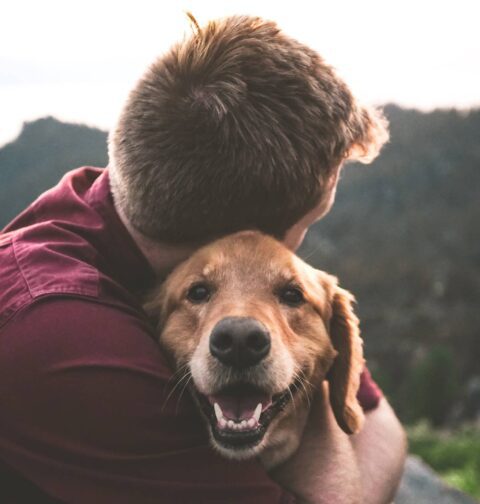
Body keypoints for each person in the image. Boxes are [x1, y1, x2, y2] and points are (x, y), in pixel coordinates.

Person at [0, 15, 406, 504]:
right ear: (246, 235)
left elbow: (379, 422)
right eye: (310, 222)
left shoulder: (114, 202)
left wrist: (317, 392)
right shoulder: (62, 335)